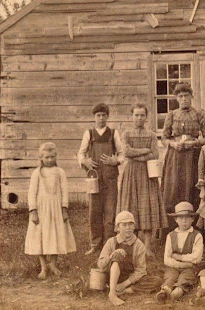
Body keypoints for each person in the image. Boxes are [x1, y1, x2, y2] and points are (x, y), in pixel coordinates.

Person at [117, 103, 168, 258]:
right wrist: (144, 151)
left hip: (147, 173)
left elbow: (155, 154)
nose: (139, 118)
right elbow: (126, 152)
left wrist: (137, 155)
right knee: (131, 205)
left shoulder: (151, 134)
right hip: (131, 173)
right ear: (132, 116)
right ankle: (131, 244)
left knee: (147, 207)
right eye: (136, 115)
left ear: (146, 117)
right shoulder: (126, 134)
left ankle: (147, 247)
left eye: (142, 115)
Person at [161, 82, 205, 230]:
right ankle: (171, 229)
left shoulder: (199, 114)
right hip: (174, 157)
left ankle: (194, 228)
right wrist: (173, 144)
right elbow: (164, 138)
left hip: (193, 156)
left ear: (191, 96)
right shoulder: (172, 115)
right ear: (177, 98)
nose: (183, 99)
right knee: (173, 189)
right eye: (180, 96)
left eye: (186, 96)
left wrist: (194, 143)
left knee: (191, 187)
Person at [77, 103, 124, 255]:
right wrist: (85, 161)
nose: (101, 118)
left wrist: (115, 161)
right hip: (94, 178)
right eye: (98, 115)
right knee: (94, 212)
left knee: (110, 212)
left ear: (107, 116)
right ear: (94, 117)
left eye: (104, 115)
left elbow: (121, 154)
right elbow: (81, 153)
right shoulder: (89, 134)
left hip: (110, 178)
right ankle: (95, 244)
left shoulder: (113, 133)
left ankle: (108, 244)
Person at [24, 142, 76, 279]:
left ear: (56, 156)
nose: (50, 159)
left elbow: (64, 191)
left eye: (52, 157)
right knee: (39, 236)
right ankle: (43, 267)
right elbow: (31, 193)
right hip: (41, 210)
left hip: (56, 209)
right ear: (41, 158)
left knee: (55, 235)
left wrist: (64, 208)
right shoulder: (37, 173)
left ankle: (53, 264)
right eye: (46, 157)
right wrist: (33, 210)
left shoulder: (60, 172)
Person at [97, 211, 163, 306]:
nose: (128, 228)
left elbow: (140, 270)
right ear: (117, 228)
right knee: (117, 255)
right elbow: (100, 265)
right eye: (124, 225)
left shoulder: (139, 244)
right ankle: (112, 293)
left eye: (130, 224)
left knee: (157, 280)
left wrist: (125, 284)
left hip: (129, 279)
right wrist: (111, 255)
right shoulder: (111, 242)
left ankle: (123, 291)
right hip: (111, 277)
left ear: (134, 226)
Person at [155, 201, 204, 304]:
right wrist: (180, 264)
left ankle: (174, 295)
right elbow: (167, 259)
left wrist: (179, 257)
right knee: (170, 277)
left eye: (187, 217)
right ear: (176, 219)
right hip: (174, 267)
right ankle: (163, 293)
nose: (184, 220)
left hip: (190, 268)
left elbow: (196, 257)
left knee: (184, 279)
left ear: (192, 219)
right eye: (181, 218)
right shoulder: (171, 235)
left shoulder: (197, 235)